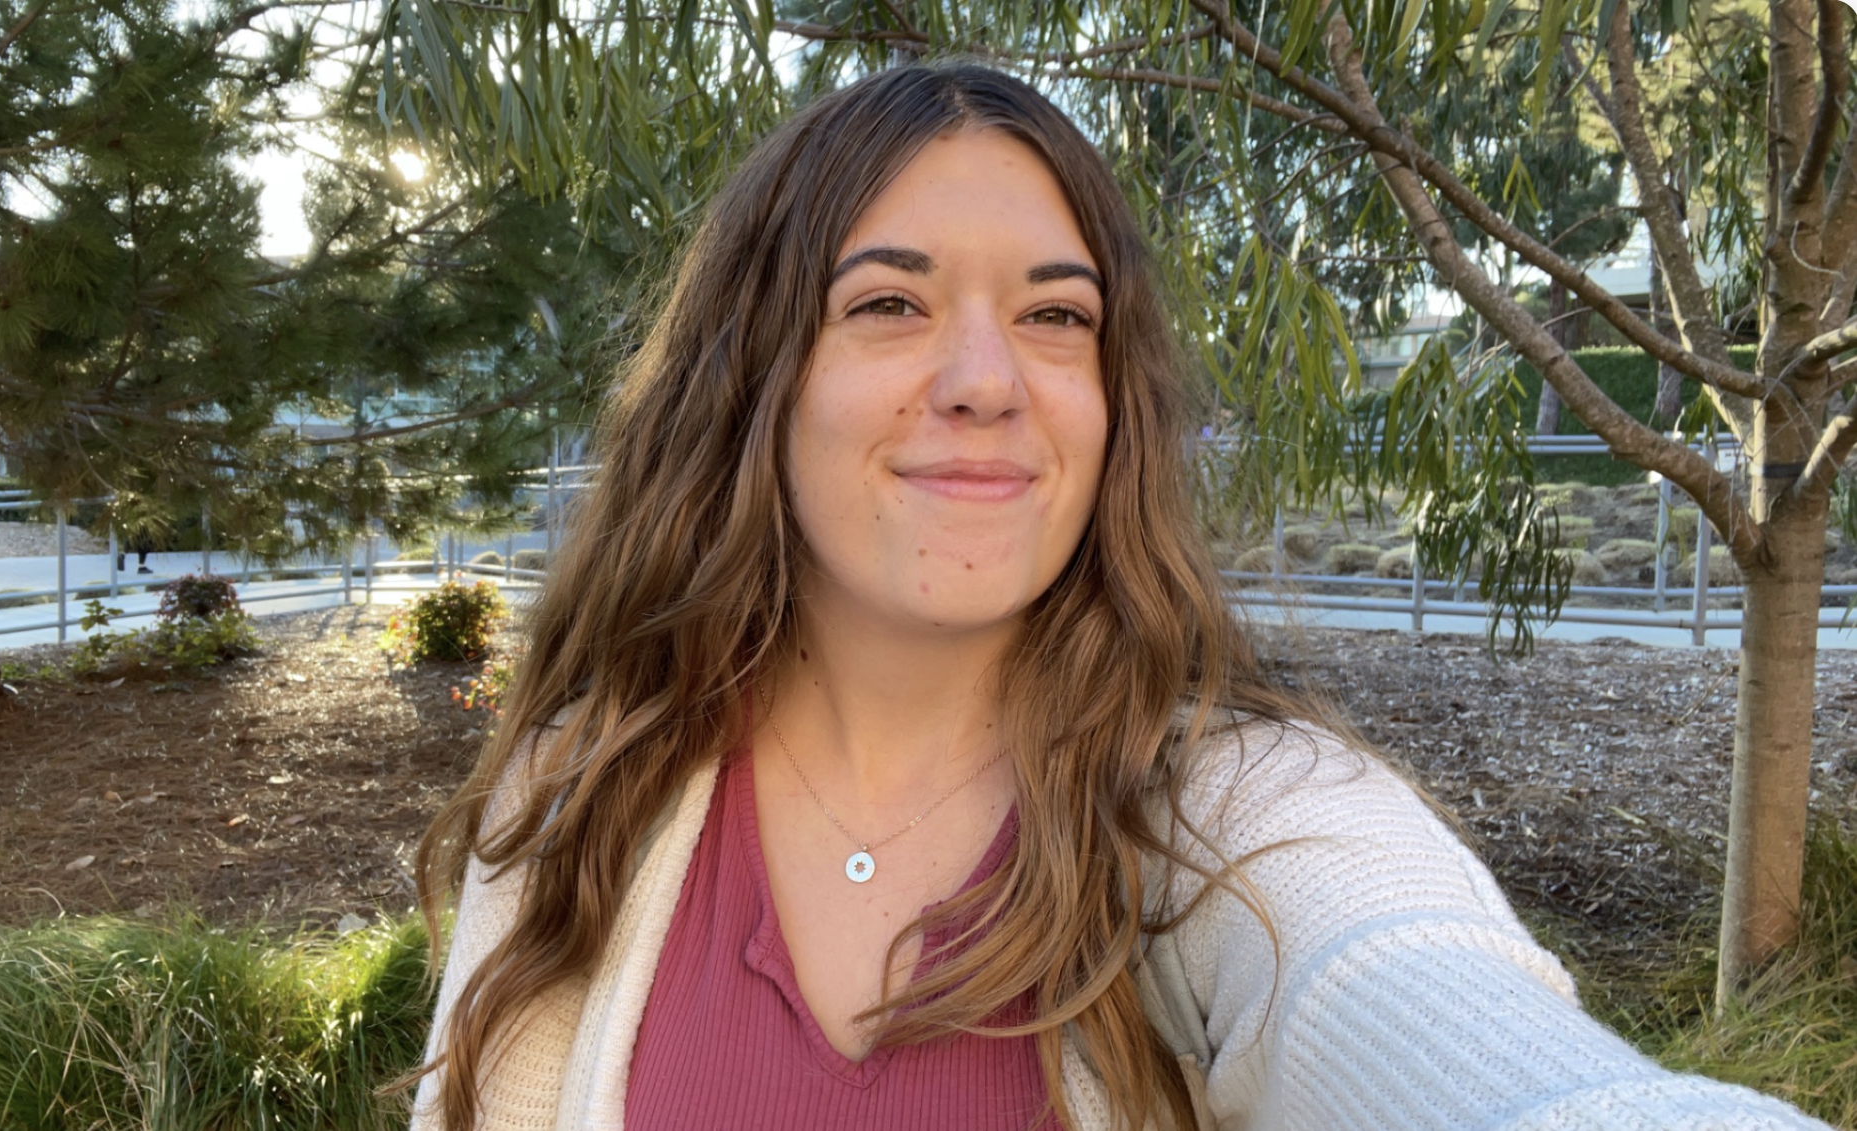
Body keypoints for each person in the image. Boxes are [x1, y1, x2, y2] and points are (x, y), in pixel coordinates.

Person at [402, 65, 1828, 1131]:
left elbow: (1422, 1002)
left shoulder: (1239, 816)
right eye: (889, 303)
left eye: (1055, 315)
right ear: (751, 381)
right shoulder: (583, 791)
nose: (987, 379)